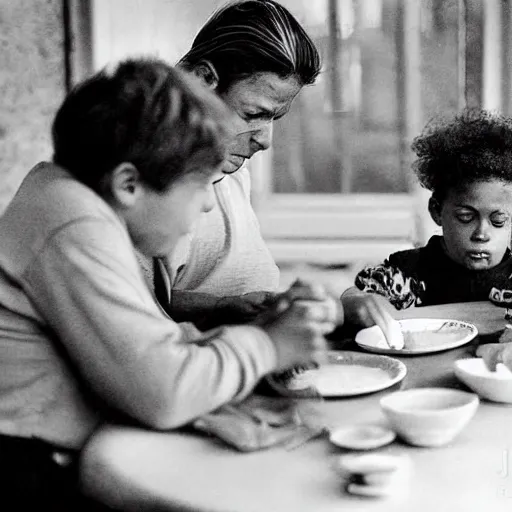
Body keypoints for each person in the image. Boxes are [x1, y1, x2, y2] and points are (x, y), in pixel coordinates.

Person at [0, 58, 337, 509]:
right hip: (29, 469)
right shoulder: (72, 221)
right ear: (129, 184)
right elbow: (163, 392)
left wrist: (240, 326)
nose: (203, 209)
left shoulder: (71, 202)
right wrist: (266, 347)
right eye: (199, 186)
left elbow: (143, 346)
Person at [149, 0, 322, 330]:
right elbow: (141, 306)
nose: (265, 140)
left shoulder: (231, 165)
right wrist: (218, 308)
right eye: (253, 115)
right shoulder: (145, 179)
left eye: (274, 118)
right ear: (202, 80)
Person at [341, 109, 512, 345]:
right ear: (436, 211)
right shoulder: (406, 273)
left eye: (498, 221)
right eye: (465, 217)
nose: (482, 234)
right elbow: (357, 300)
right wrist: (354, 301)